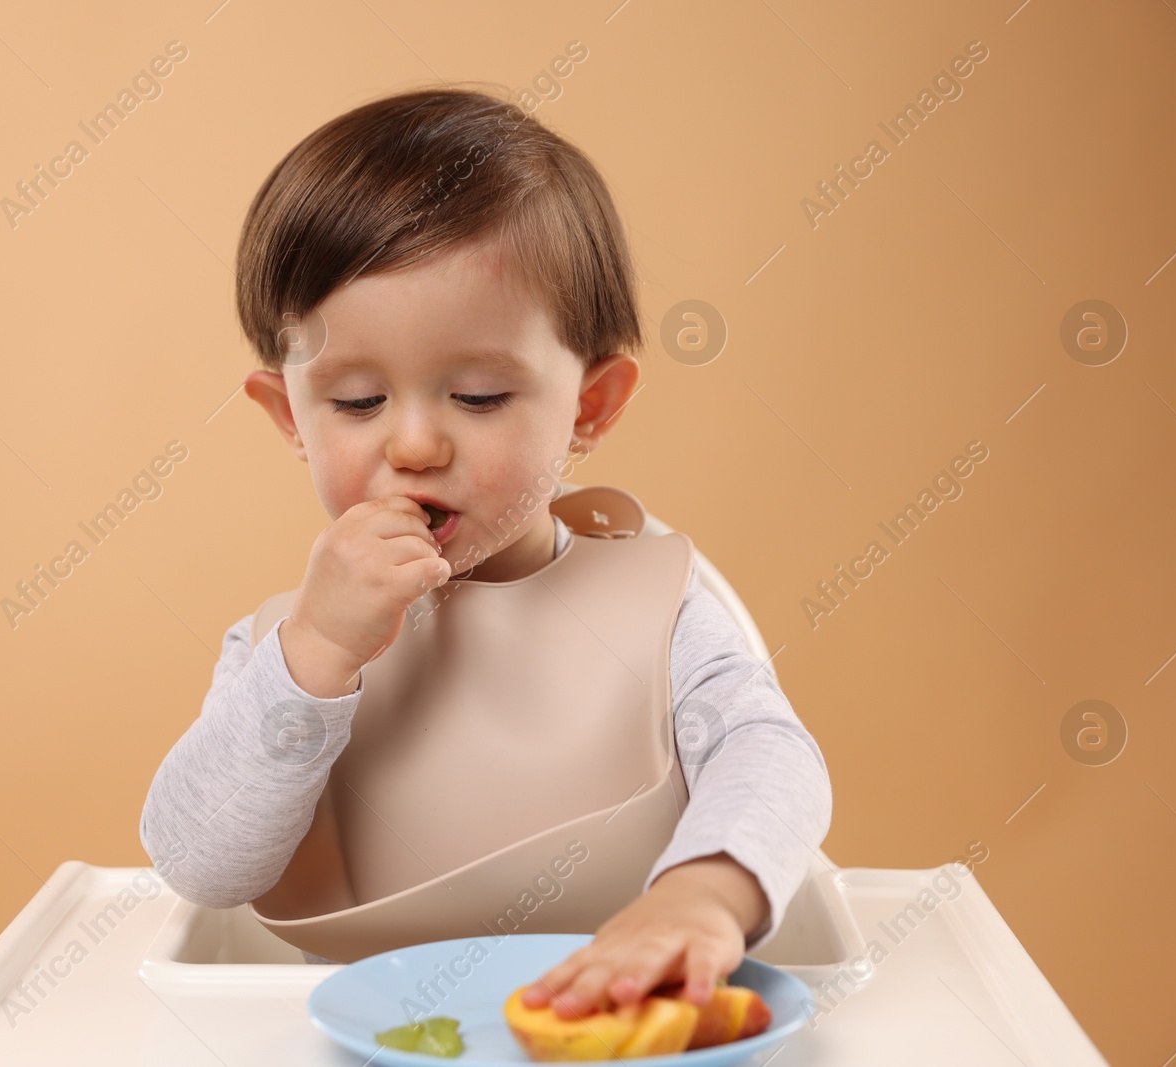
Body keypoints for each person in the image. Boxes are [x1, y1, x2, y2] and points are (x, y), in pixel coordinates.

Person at [140, 84, 831, 1022]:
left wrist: (702, 895)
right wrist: (315, 658)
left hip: (613, 1021)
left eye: (475, 396)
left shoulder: (660, 604)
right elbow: (200, 864)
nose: (415, 445)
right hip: (366, 1033)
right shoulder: (289, 646)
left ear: (589, 405)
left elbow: (770, 756)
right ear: (288, 417)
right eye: (355, 402)